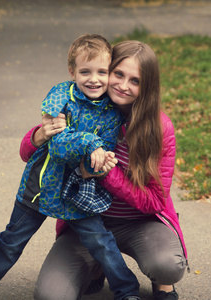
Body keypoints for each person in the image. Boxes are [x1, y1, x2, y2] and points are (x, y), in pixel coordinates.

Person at [20, 40, 188, 300]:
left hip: (140, 223)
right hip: (86, 221)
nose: (122, 85)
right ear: (106, 70)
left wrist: (103, 173)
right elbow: (26, 153)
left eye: (135, 80)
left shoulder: (158, 127)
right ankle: (97, 266)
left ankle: (162, 283)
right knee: (50, 295)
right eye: (118, 74)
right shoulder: (82, 106)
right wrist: (39, 135)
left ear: (147, 87)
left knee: (167, 265)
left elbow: (155, 201)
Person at [0, 34, 140, 300]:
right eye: (85, 71)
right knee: (12, 241)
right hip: (40, 186)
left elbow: (103, 154)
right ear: (72, 71)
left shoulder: (112, 113)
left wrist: (100, 160)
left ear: (109, 72)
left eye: (102, 71)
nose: (94, 79)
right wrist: (90, 144)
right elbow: (58, 145)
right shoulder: (59, 96)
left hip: (78, 191)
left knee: (101, 242)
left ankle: (127, 291)